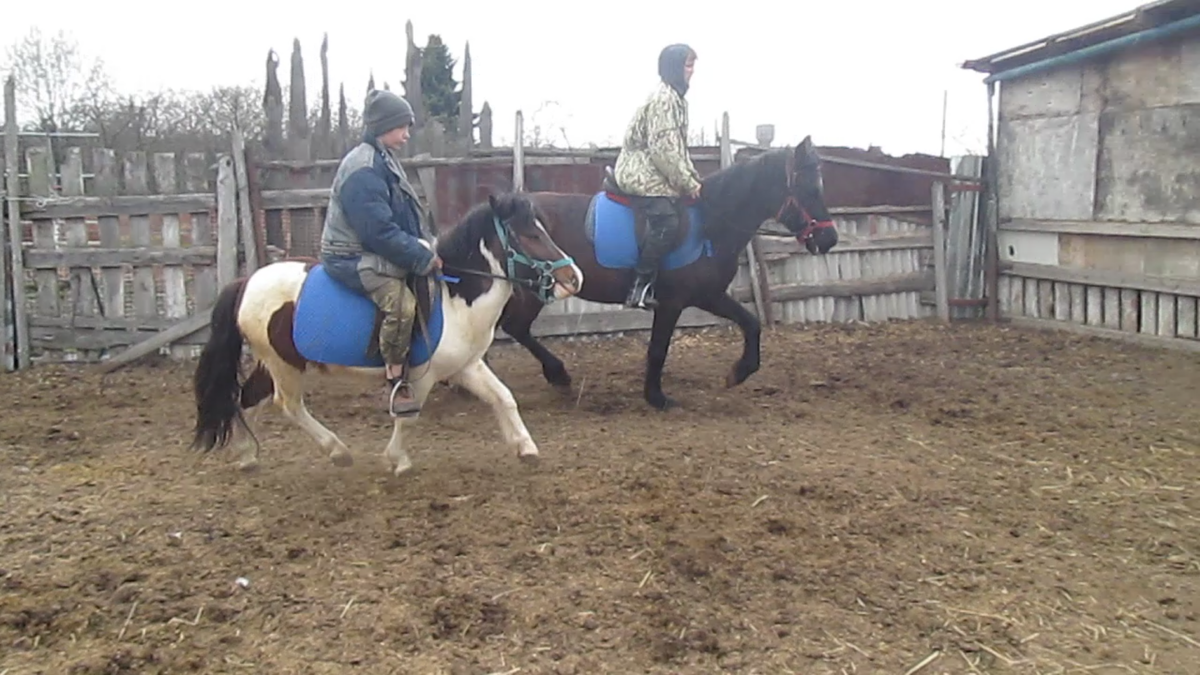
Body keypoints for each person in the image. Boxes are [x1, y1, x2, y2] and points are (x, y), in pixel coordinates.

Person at [319, 89, 441, 418]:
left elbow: (401, 216)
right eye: (402, 126)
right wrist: (419, 257)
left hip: (374, 248)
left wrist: (425, 244)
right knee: (402, 305)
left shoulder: (385, 158)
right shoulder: (363, 169)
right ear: (383, 126)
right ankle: (395, 379)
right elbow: (378, 231)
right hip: (350, 255)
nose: (407, 134)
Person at [613, 43, 703, 310]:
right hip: (640, 170)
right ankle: (640, 286)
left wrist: (694, 179)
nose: (692, 72)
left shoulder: (676, 99)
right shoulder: (664, 100)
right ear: (675, 68)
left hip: (655, 167)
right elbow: (663, 150)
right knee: (667, 222)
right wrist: (686, 183)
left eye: (693, 66)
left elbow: (678, 149)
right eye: (688, 66)